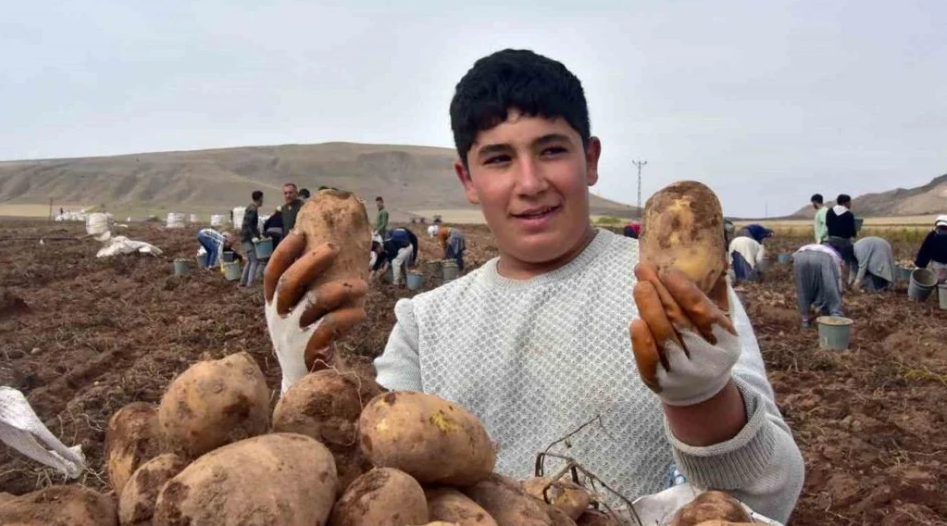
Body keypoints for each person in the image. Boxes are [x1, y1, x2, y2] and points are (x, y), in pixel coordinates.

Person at [261, 49, 803, 522]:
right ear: (468, 181)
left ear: (590, 160)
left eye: (551, 150)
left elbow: (768, 498)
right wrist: (301, 373)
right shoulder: (426, 321)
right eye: (499, 159)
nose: (530, 183)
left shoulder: (674, 298)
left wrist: (703, 397)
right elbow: (364, 483)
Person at [792, 242, 844, 327]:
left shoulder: (822, 248)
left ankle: (805, 319)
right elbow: (835, 282)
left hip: (799, 256)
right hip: (822, 258)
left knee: (803, 288)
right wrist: (839, 294)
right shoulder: (835, 257)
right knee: (830, 285)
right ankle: (836, 315)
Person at [825, 194, 858, 278]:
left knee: (833, 261)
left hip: (831, 241)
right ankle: (847, 280)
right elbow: (851, 232)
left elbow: (828, 224)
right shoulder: (849, 214)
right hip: (844, 242)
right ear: (845, 203)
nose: (850, 204)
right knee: (849, 261)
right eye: (849, 202)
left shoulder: (830, 211)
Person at [239, 190, 264, 287]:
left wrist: (259, 235)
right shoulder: (252, 209)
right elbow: (247, 225)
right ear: (260, 198)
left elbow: (252, 226)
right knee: (254, 261)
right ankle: (250, 283)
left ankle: (243, 282)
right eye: (262, 198)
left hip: (246, 238)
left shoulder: (252, 208)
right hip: (247, 239)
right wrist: (253, 237)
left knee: (250, 260)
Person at [915, 215, 947, 283]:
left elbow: (924, 251)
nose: (943, 231)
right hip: (937, 264)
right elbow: (925, 251)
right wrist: (920, 265)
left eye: (945, 228)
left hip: (939, 264)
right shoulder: (932, 237)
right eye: (941, 228)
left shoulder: (932, 236)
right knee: (939, 282)